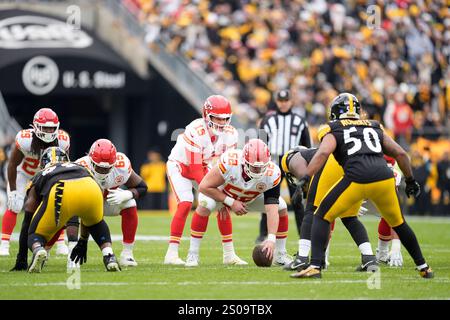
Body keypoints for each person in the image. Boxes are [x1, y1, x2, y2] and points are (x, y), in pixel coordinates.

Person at [290, 93, 433, 279]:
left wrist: (306, 176)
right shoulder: (374, 126)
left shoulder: (333, 128)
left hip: (357, 178)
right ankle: (424, 267)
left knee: (321, 215)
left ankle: (315, 266)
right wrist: (411, 180)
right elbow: (400, 153)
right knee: (399, 223)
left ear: (334, 112)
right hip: (384, 179)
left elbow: (323, 153)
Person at [164, 95, 245, 266]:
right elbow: (194, 170)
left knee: (222, 204)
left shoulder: (231, 135)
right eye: (217, 118)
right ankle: (171, 253)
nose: (222, 123)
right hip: (181, 167)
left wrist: (225, 195)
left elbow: (225, 167)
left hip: (204, 167)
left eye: (225, 119)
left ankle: (229, 254)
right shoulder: (195, 130)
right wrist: (216, 194)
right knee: (186, 203)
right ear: (207, 115)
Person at [185, 139, 292, 267]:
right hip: (221, 193)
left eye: (261, 167)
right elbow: (204, 187)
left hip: (249, 199)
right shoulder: (230, 162)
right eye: (254, 167)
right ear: (244, 161)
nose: (258, 171)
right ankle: (193, 253)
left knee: (282, 207)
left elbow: (271, 208)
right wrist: (230, 202)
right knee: (205, 205)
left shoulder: (272, 173)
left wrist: (271, 239)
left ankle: (280, 255)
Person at [281, 146, 377, 272]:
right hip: (355, 166)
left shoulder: (290, 158)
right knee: (349, 217)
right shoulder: (314, 153)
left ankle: (302, 258)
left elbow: (306, 176)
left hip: (332, 165)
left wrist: (302, 189)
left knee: (311, 209)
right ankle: (369, 258)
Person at [24, 147, 120, 273]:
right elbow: (86, 217)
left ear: (43, 164)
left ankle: (39, 249)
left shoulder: (41, 174)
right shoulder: (79, 166)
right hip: (91, 187)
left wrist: (31, 230)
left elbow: (29, 209)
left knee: (34, 235)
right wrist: (83, 240)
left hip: (61, 188)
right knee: (97, 223)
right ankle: (109, 256)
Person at [1, 108, 69, 257]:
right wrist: (12, 190)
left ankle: (61, 242)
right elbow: (12, 164)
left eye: (52, 127)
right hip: (23, 173)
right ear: (36, 126)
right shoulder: (24, 138)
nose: (49, 131)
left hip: (46, 175)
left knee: (58, 203)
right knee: (15, 204)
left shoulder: (63, 140)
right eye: (45, 127)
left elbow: (63, 167)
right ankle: (4, 243)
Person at [75, 139, 148, 267]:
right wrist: (83, 239)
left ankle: (127, 254)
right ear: (90, 160)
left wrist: (128, 194)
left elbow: (142, 187)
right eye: (100, 167)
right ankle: (47, 248)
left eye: (107, 168)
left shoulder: (122, 165)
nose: (103, 171)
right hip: (85, 203)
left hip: (108, 200)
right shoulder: (80, 167)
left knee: (130, 203)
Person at [256, 89, 311, 244]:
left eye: (286, 100)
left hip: (293, 162)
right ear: (277, 101)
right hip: (273, 162)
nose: (283, 103)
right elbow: (261, 143)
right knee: (269, 199)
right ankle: (263, 233)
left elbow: (307, 145)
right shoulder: (267, 120)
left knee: (297, 200)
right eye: (281, 101)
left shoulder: (300, 121)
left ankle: (303, 234)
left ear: (291, 101)